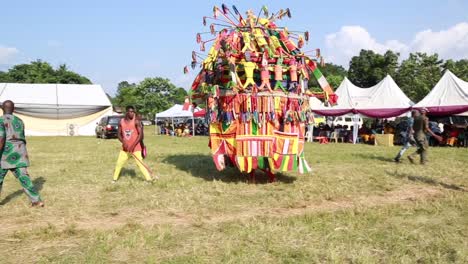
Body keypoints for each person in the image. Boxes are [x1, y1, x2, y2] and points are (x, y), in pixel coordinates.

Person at [0, 100, 44, 206]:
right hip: (20, 153)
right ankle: (37, 201)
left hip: (6, 155)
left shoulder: (1, 120)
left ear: (2, 108)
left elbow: (1, 139)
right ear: (13, 109)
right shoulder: (19, 120)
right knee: (24, 178)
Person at [113, 106, 154, 183]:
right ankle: (114, 179)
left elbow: (140, 135)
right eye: (130, 112)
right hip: (125, 148)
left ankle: (149, 179)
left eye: (133, 112)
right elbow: (118, 134)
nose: (132, 113)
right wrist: (124, 142)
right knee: (119, 163)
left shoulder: (136, 121)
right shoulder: (121, 121)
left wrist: (133, 146)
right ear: (127, 112)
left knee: (140, 164)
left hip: (136, 148)